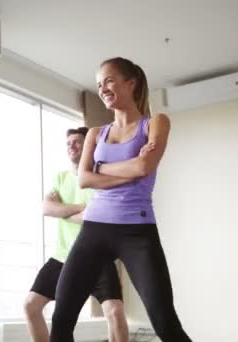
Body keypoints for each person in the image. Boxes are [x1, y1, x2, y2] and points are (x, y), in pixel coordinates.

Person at [50, 57, 191, 342]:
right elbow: (85, 179)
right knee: (62, 317)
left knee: (164, 321)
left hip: (136, 231)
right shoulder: (95, 133)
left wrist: (102, 168)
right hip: (94, 229)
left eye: (109, 80)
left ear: (131, 83)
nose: (103, 88)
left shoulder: (155, 123)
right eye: (99, 84)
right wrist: (126, 169)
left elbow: (143, 168)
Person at [24, 127, 128, 342]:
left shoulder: (99, 179)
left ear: (90, 146)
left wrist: (62, 210)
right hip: (62, 258)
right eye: (69, 143)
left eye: (77, 142)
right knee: (30, 306)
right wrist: (80, 207)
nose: (72, 145)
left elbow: (93, 216)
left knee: (115, 312)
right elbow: (46, 209)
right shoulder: (60, 178)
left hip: (98, 259)